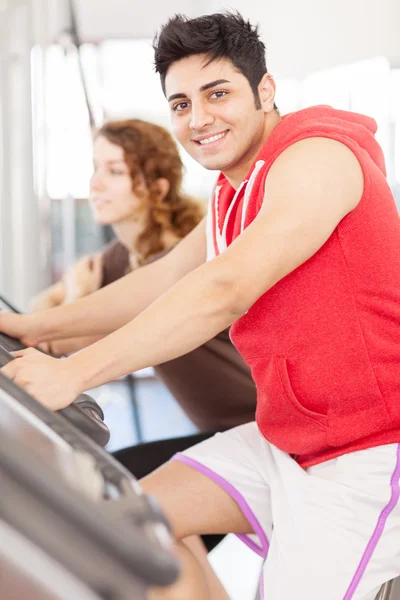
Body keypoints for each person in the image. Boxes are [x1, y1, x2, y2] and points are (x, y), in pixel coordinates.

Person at [1, 11, 400, 600]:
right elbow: (160, 280)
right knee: (132, 524)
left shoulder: (320, 156)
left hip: (366, 454)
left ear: (265, 90)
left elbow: (226, 287)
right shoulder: (232, 190)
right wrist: (26, 326)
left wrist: (72, 373)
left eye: (218, 93)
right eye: (182, 103)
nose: (200, 117)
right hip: (286, 441)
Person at [31, 119, 257, 513]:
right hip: (218, 433)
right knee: (129, 498)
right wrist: (72, 300)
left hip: (256, 430)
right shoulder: (120, 258)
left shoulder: (173, 263)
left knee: (124, 495)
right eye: (95, 167)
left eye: (115, 171)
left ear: (157, 187)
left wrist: (74, 297)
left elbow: (60, 339)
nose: (95, 183)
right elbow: (36, 319)